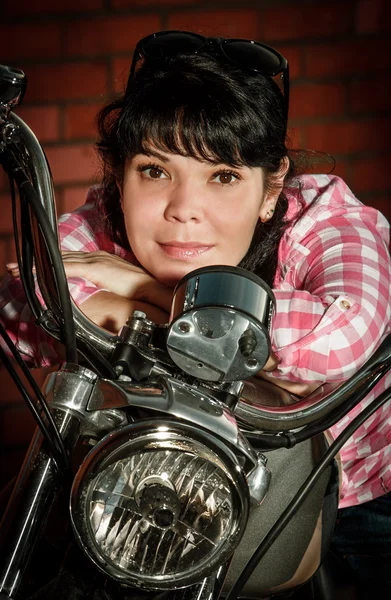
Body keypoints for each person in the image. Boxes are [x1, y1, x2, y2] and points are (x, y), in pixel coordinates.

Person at [1, 30, 390, 597]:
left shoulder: (325, 220)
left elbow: (340, 340)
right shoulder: (103, 219)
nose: (184, 210)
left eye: (224, 177)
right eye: (155, 171)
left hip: (356, 488)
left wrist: (142, 289)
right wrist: (220, 326)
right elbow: (24, 300)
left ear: (270, 188)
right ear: (119, 175)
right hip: (155, 481)